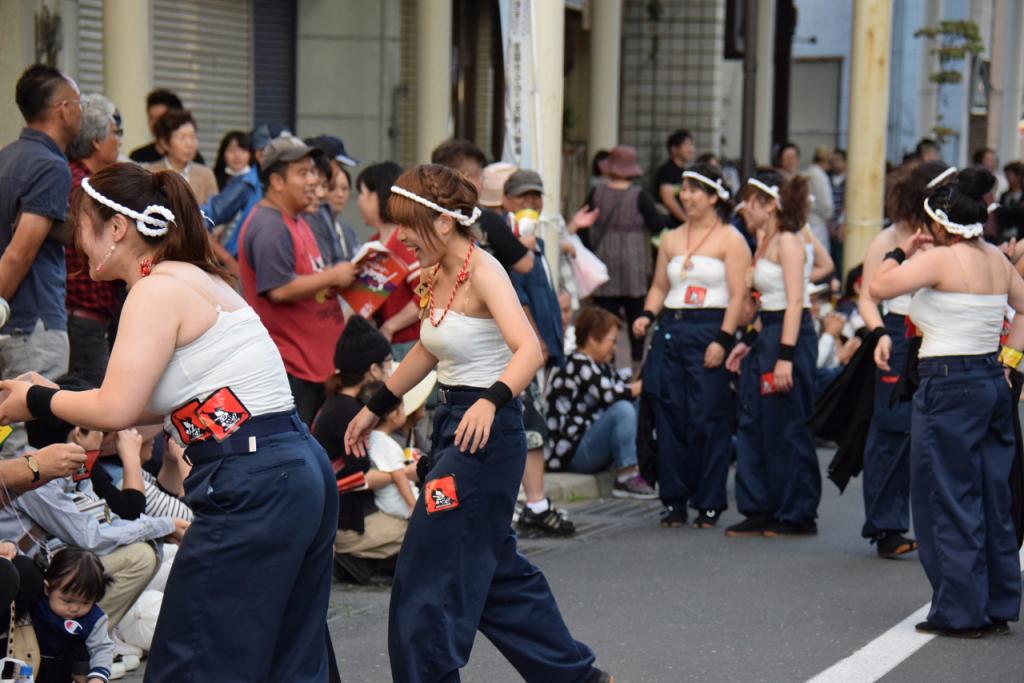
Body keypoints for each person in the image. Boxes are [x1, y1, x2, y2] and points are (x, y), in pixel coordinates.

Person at [0, 161, 340, 680]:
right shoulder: (193, 279)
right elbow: (146, 409)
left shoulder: (155, 289)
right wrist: (48, 394)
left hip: (255, 478)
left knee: (191, 655)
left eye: (81, 228)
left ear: (117, 229)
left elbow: (116, 410)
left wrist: (39, 402)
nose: (76, 244)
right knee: (289, 659)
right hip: (290, 468)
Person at [345, 164, 613, 683]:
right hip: (452, 427)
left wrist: (490, 401)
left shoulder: (485, 270)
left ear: (444, 223)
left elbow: (529, 349)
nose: (399, 236)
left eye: (408, 223)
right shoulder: (433, 273)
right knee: (496, 574)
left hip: (486, 435)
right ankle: (577, 677)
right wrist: (375, 405)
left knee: (424, 567)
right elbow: (430, 346)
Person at [869, 167, 1022, 638]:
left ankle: (960, 609)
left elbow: (879, 287)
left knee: (947, 495)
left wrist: (901, 251)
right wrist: (1012, 361)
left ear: (939, 224)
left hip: (948, 382)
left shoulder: (940, 260)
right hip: (989, 379)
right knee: (992, 495)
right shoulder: (996, 257)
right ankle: (997, 603)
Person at [633, 164, 751, 527]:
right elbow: (659, 286)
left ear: (714, 197)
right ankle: (674, 500)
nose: (685, 196)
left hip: (709, 326)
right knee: (670, 417)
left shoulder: (731, 238)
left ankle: (710, 500)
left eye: (694, 190)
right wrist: (648, 315)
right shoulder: (670, 237)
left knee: (708, 418)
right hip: (672, 327)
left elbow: (738, 296)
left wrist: (723, 338)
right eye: (683, 189)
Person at [857, 160, 950, 558]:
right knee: (892, 430)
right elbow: (867, 296)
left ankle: (932, 523)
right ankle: (886, 526)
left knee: (935, 431)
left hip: (940, 335)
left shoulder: (950, 239)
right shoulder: (890, 238)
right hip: (897, 334)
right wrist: (878, 333)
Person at [725, 171, 821, 537]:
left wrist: (785, 356)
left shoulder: (791, 243)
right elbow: (770, 305)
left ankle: (798, 511)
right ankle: (759, 505)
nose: (745, 207)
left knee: (789, 423)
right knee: (755, 421)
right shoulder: (764, 241)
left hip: (790, 335)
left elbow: (796, 301)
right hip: (768, 332)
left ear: (769, 205)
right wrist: (747, 342)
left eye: (751, 200)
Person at [237, 135, 355, 424]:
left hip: (315, 367)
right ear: (277, 182)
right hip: (293, 369)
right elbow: (278, 288)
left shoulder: (296, 218)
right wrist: (333, 275)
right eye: (303, 173)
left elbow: (309, 277)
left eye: (313, 171)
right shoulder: (269, 225)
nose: (314, 180)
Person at [0, 65, 82, 456]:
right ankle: (24, 519)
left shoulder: (8, 158)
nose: (81, 113)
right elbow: (20, 252)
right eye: (78, 104)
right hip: (29, 323)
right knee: (27, 445)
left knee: (7, 434)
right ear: (63, 109)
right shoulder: (50, 166)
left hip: (12, 321)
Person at [312, 315, 410, 584]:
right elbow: (358, 479)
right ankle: (352, 557)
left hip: (344, 516)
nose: (391, 372)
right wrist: (403, 473)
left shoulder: (338, 403)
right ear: (374, 370)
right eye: (388, 365)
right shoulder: (350, 412)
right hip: (349, 522)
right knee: (426, 530)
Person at [547, 307, 656, 498]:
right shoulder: (577, 363)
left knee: (635, 404)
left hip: (588, 445)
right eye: (611, 341)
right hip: (573, 454)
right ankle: (626, 476)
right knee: (623, 409)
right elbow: (610, 394)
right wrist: (636, 387)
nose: (615, 347)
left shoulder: (601, 365)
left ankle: (641, 463)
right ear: (592, 338)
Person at [586, 144, 672, 363]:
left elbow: (584, 227)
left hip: (604, 265)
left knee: (605, 319)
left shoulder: (596, 193)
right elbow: (656, 225)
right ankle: (635, 362)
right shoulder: (639, 196)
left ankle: (607, 363)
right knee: (637, 317)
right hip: (634, 265)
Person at [65, 93, 123, 387]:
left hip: (85, 315)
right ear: (97, 141)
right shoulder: (84, 188)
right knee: (88, 412)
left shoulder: (84, 181)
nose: (120, 140)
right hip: (83, 315)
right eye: (115, 132)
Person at [430, 138, 534, 275]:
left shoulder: (429, 216)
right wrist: (527, 243)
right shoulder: (485, 219)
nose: (483, 184)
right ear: (466, 178)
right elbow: (525, 264)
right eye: (481, 177)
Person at [356, 161, 422, 357]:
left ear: (379, 195)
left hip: (410, 344)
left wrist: (390, 326)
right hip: (390, 344)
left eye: (362, 193)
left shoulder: (404, 240)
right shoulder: (375, 242)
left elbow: (425, 295)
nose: (358, 201)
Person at [31, 548, 115, 683]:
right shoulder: (36, 601)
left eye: (86, 602)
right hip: (29, 661)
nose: (75, 608)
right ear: (47, 588)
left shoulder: (93, 619)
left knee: (81, 650)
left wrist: (98, 677)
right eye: (67, 600)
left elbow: (102, 648)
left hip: (64, 669)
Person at [358, 381, 419, 519]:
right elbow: (400, 477)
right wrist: (413, 506)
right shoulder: (384, 443)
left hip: (390, 502)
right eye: (403, 406)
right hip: (399, 504)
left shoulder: (373, 437)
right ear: (393, 415)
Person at [144, 110, 217, 205]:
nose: (189, 144)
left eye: (193, 137)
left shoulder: (206, 175)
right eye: (182, 137)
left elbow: (214, 214)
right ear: (165, 143)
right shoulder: (150, 173)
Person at [128, 89, 205, 165]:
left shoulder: (193, 160)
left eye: (161, 118)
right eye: (151, 118)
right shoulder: (138, 157)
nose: (155, 124)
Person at [653, 129, 696, 223]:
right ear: (674, 149)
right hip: (669, 226)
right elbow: (668, 199)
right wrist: (686, 220)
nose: (691, 149)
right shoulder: (666, 171)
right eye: (687, 145)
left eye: (692, 145)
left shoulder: (685, 173)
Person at [805, 147, 834, 252]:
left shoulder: (805, 172)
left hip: (805, 219)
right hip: (818, 221)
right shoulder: (820, 176)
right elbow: (826, 206)